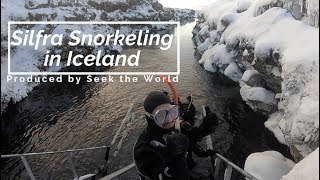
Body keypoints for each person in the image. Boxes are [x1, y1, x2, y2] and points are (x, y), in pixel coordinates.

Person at [134, 91, 190, 180]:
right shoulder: (144, 149)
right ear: (150, 118)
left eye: (172, 111)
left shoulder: (168, 129)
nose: (169, 119)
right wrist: (175, 160)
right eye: (161, 115)